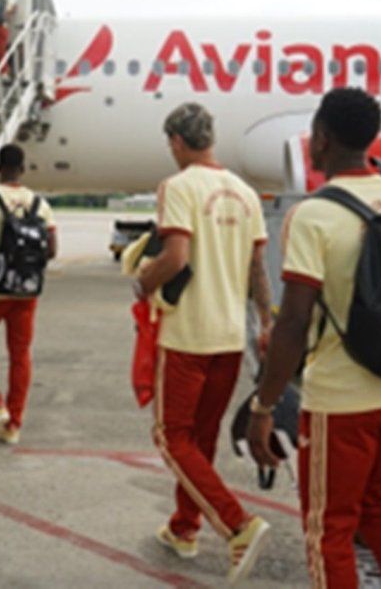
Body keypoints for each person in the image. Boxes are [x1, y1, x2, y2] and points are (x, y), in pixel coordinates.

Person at [249, 88, 381, 589]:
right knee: (376, 509)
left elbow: (293, 323)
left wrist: (264, 406)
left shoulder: (313, 215)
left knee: (328, 527)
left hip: (342, 399)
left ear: (324, 137)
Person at [135, 102, 272, 584]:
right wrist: (265, 319)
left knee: (172, 438)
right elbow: (258, 268)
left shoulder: (178, 187)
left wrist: (142, 283)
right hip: (230, 337)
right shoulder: (245, 193)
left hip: (188, 335)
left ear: (176, 141)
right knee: (202, 439)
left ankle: (239, 525)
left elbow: (174, 256)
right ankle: (184, 527)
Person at [0, 144, 56, 445]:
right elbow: (52, 250)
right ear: (23, 168)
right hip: (27, 293)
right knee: (20, 355)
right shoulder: (40, 204)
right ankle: (14, 424)